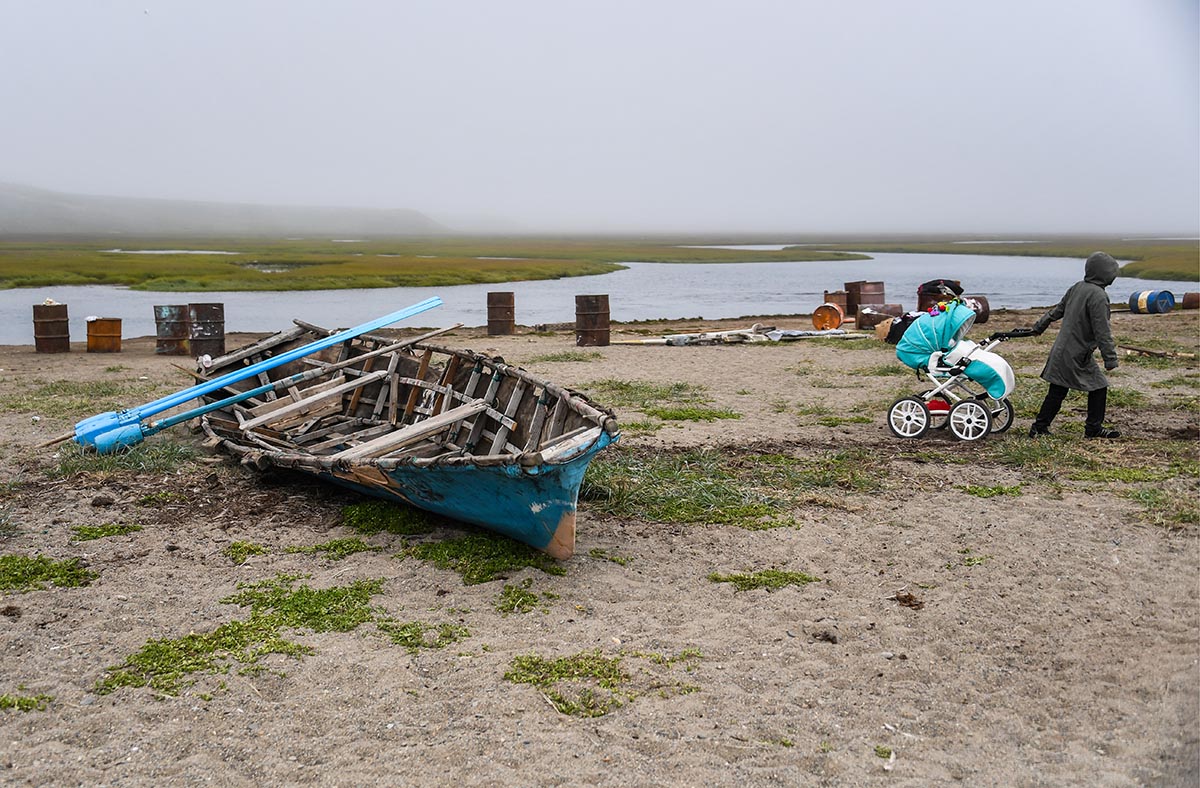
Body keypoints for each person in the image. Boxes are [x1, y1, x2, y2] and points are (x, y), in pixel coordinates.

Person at [1028, 251, 1121, 438]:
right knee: (1098, 386)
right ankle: (1092, 429)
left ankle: (1039, 428)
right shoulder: (1099, 296)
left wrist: (1039, 327)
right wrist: (1110, 359)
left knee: (1058, 390)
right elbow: (1102, 332)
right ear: (1105, 273)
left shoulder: (1078, 287)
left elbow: (1056, 311)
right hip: (1077, 354)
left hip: (1065, 350)